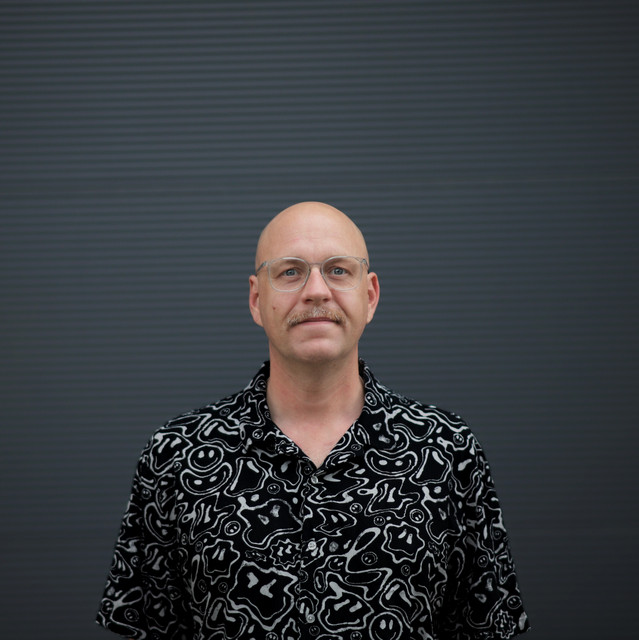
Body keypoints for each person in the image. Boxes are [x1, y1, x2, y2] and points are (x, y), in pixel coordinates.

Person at [97, 201, 530, 639]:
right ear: (256, 299)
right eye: (290, 272)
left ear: (370, 295)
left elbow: (485, 626)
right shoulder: (178, 456)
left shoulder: (446, 450)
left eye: (339, 270)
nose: (317, 291)